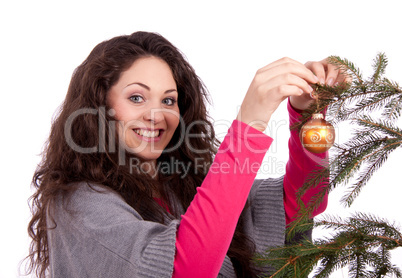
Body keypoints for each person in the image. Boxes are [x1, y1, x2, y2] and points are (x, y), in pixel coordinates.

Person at [27, 31, 347, 277]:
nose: (157, 114)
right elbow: (184, 270)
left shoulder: (181, 185)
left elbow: (301, 203)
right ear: (100, 108)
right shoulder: (77, 203)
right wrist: (250, 122)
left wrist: (308, 116)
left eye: (168, 100)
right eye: (136, 97)